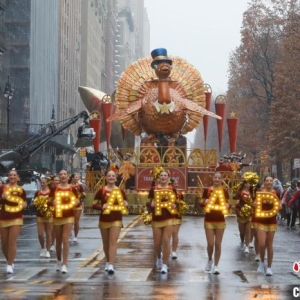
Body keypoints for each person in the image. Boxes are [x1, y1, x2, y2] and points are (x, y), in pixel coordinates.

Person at [92, 170, 128, 275]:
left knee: (113, 241)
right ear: (106, 178)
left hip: (116, 219)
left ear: (116, 178)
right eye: (109, 176)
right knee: (106, 242)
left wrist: (125, 203)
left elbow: (126, 202)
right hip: (104, 219)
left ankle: (111, 264)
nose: (111, 177)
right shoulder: (101, 191)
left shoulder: (120, 191)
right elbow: (93, 204)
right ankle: (108, 261)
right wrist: (101, 206)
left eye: (113, 176)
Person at [146, 170, 179, 274]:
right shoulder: (153, 189)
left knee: (166, 240)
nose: (163, 177)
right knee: (157, 244)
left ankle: (165, 265)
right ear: (158, 177)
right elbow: (148, 202)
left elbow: (177, 202)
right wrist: (151, 204)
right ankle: (159, 257)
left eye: (165, 175)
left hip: (169, 218)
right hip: (157, 218)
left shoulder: (172, 189)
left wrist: (175, 205)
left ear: (168, 177)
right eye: (161, 175)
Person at [48, 170, 80, 274]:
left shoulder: (72, 188)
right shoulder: (54, 189)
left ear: (68, 176)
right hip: (57, 216)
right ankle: (58, 260)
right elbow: (48, 201)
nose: (63, 176)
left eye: (65, 174)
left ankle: (64, 264)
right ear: (59, 176)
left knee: (65, 239)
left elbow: (78, 201)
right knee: (58, 241)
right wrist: (52, 202)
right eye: (61, 174)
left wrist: (76, 202)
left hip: (69, 216)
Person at [0, 169, 27, 274]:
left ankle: (10, 265)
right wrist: (2, 198)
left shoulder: (21, 190)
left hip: (16, 217)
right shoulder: (3, 188)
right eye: (10, 175)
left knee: (12, 241)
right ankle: (9, 260)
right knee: (4, 244)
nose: (12, 177)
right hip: (3, 217)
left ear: (17, 177)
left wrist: (25, 205)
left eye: (14, 175)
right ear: (8, 177)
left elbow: (24, 203)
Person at [202, 171, 230, 275]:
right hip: (209, 219)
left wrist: (228, 205)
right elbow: (200, 202)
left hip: (220, 219)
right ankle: (210, 259)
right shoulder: (207, 190)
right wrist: (204, 202)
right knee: (210, 243)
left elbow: (228, 203)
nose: (217, 179)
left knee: (218, 244)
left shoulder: (224, 190)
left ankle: (216, 265)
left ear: (221, 180)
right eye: (215, 177)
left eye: (219, 178)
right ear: (212, 179)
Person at [255, 176, 281, 276]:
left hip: (271, 221)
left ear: (272, 183)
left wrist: (279, 206)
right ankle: (262, 262)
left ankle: (269, 267)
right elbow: (255, 203)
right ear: (264, 182)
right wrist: (255, 205)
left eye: (271, 181)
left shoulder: (276, 193)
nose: (269, 182)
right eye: (267, 180)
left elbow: (279, 204)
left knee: (269, 244)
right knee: (261, 243)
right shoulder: (260, 193)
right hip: (261, 220)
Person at [32, 177, 53, 258]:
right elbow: (34, 202)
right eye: (41, 182)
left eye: (44, 182)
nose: (43, 184)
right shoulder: (38, 192)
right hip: (40, 215)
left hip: (49, 215)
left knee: (48, 234)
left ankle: (47, 250)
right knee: (40, 234)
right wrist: (37, 205)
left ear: (47, 183)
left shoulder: (51, 192)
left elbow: (54, 201)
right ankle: (42, 248)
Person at [235, 180, 254, 254]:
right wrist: (239, 210)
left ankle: (247, 246)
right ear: (245, 184)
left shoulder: (252, 193)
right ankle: (242, 241)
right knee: (242, 231)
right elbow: (236, 201)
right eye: (248, 183)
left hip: (249, 213)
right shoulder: (240, 193)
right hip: (241, 213)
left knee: (248, 230)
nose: (249, 184)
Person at [68, 174, 86, 242]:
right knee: (69, 220)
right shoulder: (68, 186)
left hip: (77, 205)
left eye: (78, 177)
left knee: (76, 221)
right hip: (68, 205)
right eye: (76, 177)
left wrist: (81, 196)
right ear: (72, 178)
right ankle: (70, 235)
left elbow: (83, 194)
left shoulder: (79, 186)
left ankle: (75, 236)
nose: (77, 178)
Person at [170, 178, 182, 259]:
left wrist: (178, 205)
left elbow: (181, 203)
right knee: (166, 235)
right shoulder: (166, 192)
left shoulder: (180, 193)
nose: (177, 185)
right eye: (175, 183)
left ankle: (174, 251)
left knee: (175, 233)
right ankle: (164, 250)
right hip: (167, 215)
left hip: (176, 215)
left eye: (177, 183)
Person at [49, 175, 60, 252]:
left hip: (65, 210)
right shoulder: (52, 189)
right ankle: (52, 243)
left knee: (61, 228)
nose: (57, 182)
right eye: (55, 180)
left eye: (58, 180)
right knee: (53, 228)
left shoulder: (68, 188)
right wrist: (52, 202)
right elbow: (49, 200)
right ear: (53, 181)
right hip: (54, 210)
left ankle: (60, 242)